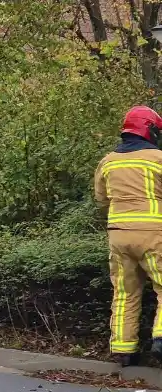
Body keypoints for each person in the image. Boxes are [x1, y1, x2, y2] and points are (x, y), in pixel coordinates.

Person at [96, 105, 162, 366]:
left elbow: (101, 200)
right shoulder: (158, 159)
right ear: (150, 130)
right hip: (154, 234)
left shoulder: (108, 161)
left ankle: (124, 351)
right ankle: (160, 339)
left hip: (119, 237)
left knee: (125, 292)